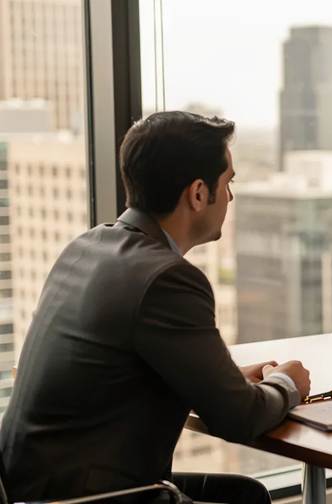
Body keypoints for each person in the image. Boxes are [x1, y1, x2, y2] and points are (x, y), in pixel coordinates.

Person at [0, 111, 310, 503]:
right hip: (89, 498)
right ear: (198, 193)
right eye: (228, 183)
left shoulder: (87, 246)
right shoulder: (168, 278)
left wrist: (225, 381)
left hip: (30, 486)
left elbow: (127, 370)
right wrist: (287, 383)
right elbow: (240, 419)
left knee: (245, 494)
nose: (230, 197)